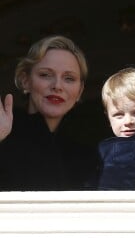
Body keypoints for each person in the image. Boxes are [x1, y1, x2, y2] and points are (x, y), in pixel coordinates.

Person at [0, 35, 99, 191]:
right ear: (25, 80)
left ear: (80, 91)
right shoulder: (5, 134)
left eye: (69, 78)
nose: (57, 86)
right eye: (45, 75)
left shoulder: (91, 154)